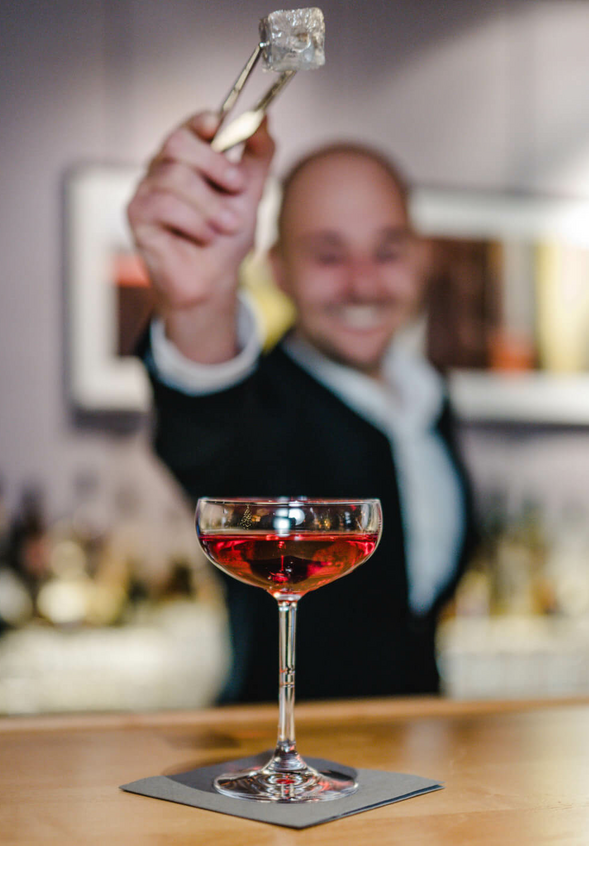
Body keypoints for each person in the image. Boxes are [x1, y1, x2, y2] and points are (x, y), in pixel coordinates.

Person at [127, 112, 475, 703]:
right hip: (279, 767)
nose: (363, 284)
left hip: (420, 762)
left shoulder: (429, 396)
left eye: (387, 251)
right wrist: (197, 307)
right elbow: (203, 430)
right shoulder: (263, 407)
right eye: (328, 255)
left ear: (419, 259)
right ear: (277, 270)